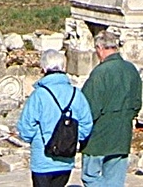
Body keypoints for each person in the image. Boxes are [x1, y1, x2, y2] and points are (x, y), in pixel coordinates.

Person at [15, 50, 93, 187]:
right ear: (63, 67)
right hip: (66, 158)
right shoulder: (77, 94)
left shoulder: (39, 95)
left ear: (43, 68)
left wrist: (35, 138)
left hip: (42, 159)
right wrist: (71, 137)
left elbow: (25, 128)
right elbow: (86, 124)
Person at [80, 31, 142, 187]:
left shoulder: (100, 73)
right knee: (115, 179)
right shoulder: (131, 69)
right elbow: (137, 104)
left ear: (100, 48)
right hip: (122, 133)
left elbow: (88, 108)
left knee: (90, 176)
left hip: (99, 136)